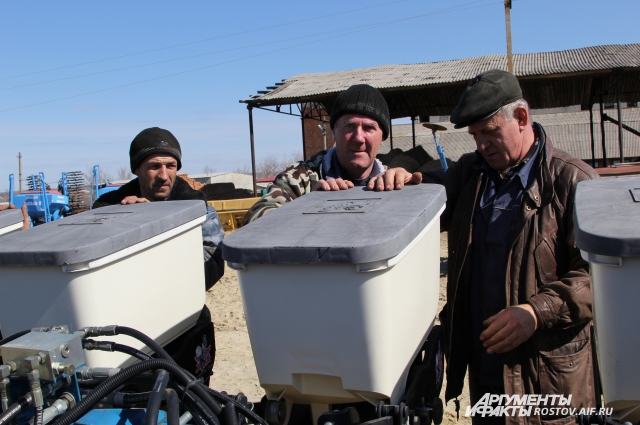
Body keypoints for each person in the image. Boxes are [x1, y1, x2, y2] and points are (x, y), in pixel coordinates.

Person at [369, 70, 598, 424]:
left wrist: (537, 312)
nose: (481, 145)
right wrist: (409, 175)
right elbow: (434, 186)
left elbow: (598, 277)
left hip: (549, 373)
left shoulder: (573, 182)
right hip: (486, 364)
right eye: (475, 136)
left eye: (489, 133)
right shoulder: (472, 173)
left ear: (521, 118)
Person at [93, 127, 224, 382]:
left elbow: (213, 262)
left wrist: (158, 225)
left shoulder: (197, 206)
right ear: (136, 169)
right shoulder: (107, 209)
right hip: (128, 333)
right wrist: (130, 223)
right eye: (154, 166)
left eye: (171, 165)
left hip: (185, 328)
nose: (164, 175)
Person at [243, 83, 405, 223]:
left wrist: (407, 187)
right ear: (333, 132)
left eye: (369, 128)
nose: (358, 138)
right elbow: (254, 220)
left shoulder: (390, 181)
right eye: (349, 126)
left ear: (382, 137)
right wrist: (311, 205)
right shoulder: (301, 179)